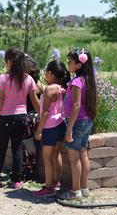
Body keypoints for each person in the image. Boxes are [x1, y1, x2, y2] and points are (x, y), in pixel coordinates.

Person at [0, 48, 40, 189]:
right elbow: (35, 101)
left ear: (9, 62)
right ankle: (16, 180)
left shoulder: (3, 79)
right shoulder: (28, 79)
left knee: (1, 148)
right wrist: (43, 113)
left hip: (5, 118)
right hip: (21, 118)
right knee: (17, 149)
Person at [60, 48, 97, 200]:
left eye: (70, 62)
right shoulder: (88, 80)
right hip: (87, 120)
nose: (68, 64)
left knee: (74, 157)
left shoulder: (76, 82)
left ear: (79, 65)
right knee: (83, 153)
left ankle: (75, 192)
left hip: (76, 123)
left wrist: (69, 130)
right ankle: (84, 188)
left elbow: (76, 105)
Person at [32, 60, 70, 197]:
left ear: (50, 73)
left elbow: (46, 112)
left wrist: (39, 130)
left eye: (46, 73)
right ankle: (56, 182)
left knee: (47, 158)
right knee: (56, 154)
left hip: (49, 126)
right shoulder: (62, 88)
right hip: (60, 124)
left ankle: (48, 188)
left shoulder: (49, 89)